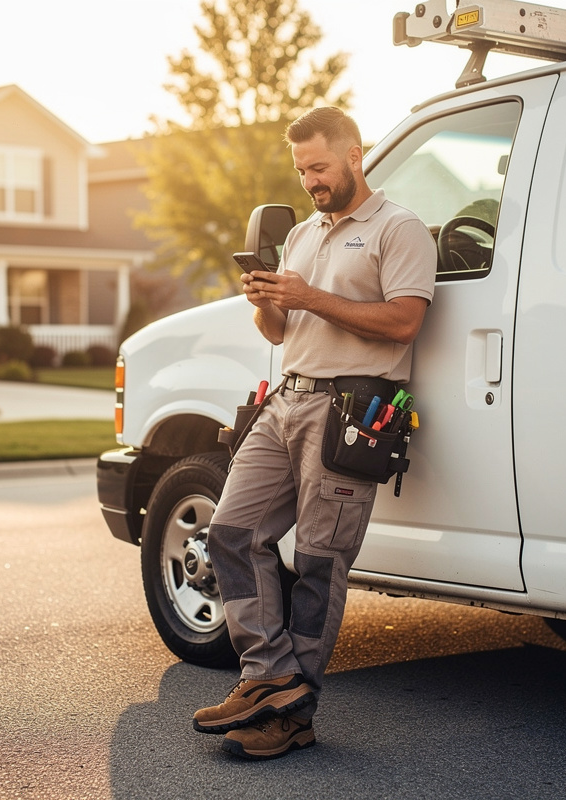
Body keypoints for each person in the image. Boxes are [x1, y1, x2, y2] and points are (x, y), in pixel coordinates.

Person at [192, 107, 436, 760]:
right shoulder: (302, 234)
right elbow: (281, 332)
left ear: (356, 155)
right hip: (288, 399)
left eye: (320, 168)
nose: (312, 182)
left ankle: (290, 716)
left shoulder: (399, 229)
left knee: (319, 567)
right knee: (232, 532)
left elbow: (403, 323)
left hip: (352, 412)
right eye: (302, 171)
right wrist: (267, 302)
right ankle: (268, 678)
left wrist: (309, 298)